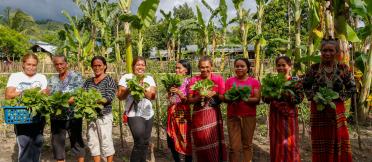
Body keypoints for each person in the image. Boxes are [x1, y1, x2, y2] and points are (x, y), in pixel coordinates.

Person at [303, 38, 356, 161]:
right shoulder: (314, 68)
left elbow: (352, 87)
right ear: (321, 52)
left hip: (337, 110)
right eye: (324, 50)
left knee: (339, 138)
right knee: (321, 140)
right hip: (318, 110)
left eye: (331, 50)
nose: (327, 53)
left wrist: (339, 98)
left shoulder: (343, 68)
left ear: (336, 52)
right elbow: (305, 85)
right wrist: (314, 97)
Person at [5, 53, 48, 162]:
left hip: (38, 116)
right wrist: (25, 92)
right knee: (24, 144)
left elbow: (46, 95)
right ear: (23, 64)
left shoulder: (41, 77)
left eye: (34, 65)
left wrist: (45, 93)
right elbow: (8, 95)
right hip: (21, 116)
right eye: (28, 64)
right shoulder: (15, 76)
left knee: (37, 143)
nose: (31, 67)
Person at [263, 56, 303, 162]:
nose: (281, 68)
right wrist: (270, 95)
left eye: (283, 65)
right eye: (278, 65)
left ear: (290, 66)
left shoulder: (295, 82)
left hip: (289, 118)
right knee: (276, 142)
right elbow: (265, 98)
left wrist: (286, 94)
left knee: (290, 143)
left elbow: (299, 99)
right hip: (275, 116)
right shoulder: (271, 81)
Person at [117, 56, 157, 162]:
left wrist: (142, 88)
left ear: (145, 67)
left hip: (148, 113)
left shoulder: (149, 78)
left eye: (143, 65)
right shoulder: (126, 77)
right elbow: (120, 97)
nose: (140, 67)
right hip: (134, 113)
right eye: (138, 64)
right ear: (133, 66)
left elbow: (153, 96)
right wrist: (129, 88)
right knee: (139, 139)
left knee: (145, 141)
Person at [187, 56, 227, 162]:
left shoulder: (218, 79)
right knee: (200, 141)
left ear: (212, 67)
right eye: (202, 67)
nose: (204, 69)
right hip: (198, 117)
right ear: (199, 68)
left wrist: (215, 93)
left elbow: (224, 97)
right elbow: (189, 100)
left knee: (213, 140)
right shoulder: (194, 80)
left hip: (213, 115)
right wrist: (199, 96)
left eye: (207, 67)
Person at [48, 55, 85, 162]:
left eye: (61, 64)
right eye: (56, 64)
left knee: (77, 141)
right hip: (56, 117)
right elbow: (48, 95)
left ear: (66, 64)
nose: (59, 66)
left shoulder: (76, 76)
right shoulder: (52, 79)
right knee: (57, 143)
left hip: (73, 115)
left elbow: (77, 95)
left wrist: (59, 101)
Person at [224, 58, 261, 162]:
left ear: (248, 68)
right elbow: (225, 97)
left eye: (242, 66)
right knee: (233, 147)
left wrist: (243, 98)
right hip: (233, 116)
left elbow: (257, 99)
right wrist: (232, 97)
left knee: (247, 145)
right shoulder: (229, 81)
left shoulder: (254, 82)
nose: (239, 68)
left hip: (249, 116)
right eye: (237, 66)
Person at [83, 56, 117, 162]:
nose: (97, 68)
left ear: (105, 66)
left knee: (106, 143)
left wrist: (92, 101)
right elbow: (82, 95)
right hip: (91, 116)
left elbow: (109, 98)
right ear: (92, 67)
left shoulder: (109, 80)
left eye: (99, 65)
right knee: (93, 143)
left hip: (104, 116)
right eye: (94, 66)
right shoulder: (88, 82)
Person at [166, 60, 192, 162]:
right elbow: (170, 99)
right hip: (172, 111)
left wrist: (179, 93)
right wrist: (169, 94)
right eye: (176, 68)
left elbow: (189, 100)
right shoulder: (173, 81)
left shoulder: (189, 82)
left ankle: (188, 160)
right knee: (171, 138)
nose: (176, 70)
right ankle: (177, 160)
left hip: (182, 113)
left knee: (184, 138)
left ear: (185, 70)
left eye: (179, 68)